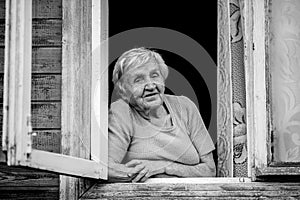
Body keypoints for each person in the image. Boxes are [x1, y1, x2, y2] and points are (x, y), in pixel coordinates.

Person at [108, 47, 216, 182]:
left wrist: (164, 167)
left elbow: (210, 170)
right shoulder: (122, 111)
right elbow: (107, 169)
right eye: (138, 80)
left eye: (154, 75)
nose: (151, 86)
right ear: (123, 91)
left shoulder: (185, 106)